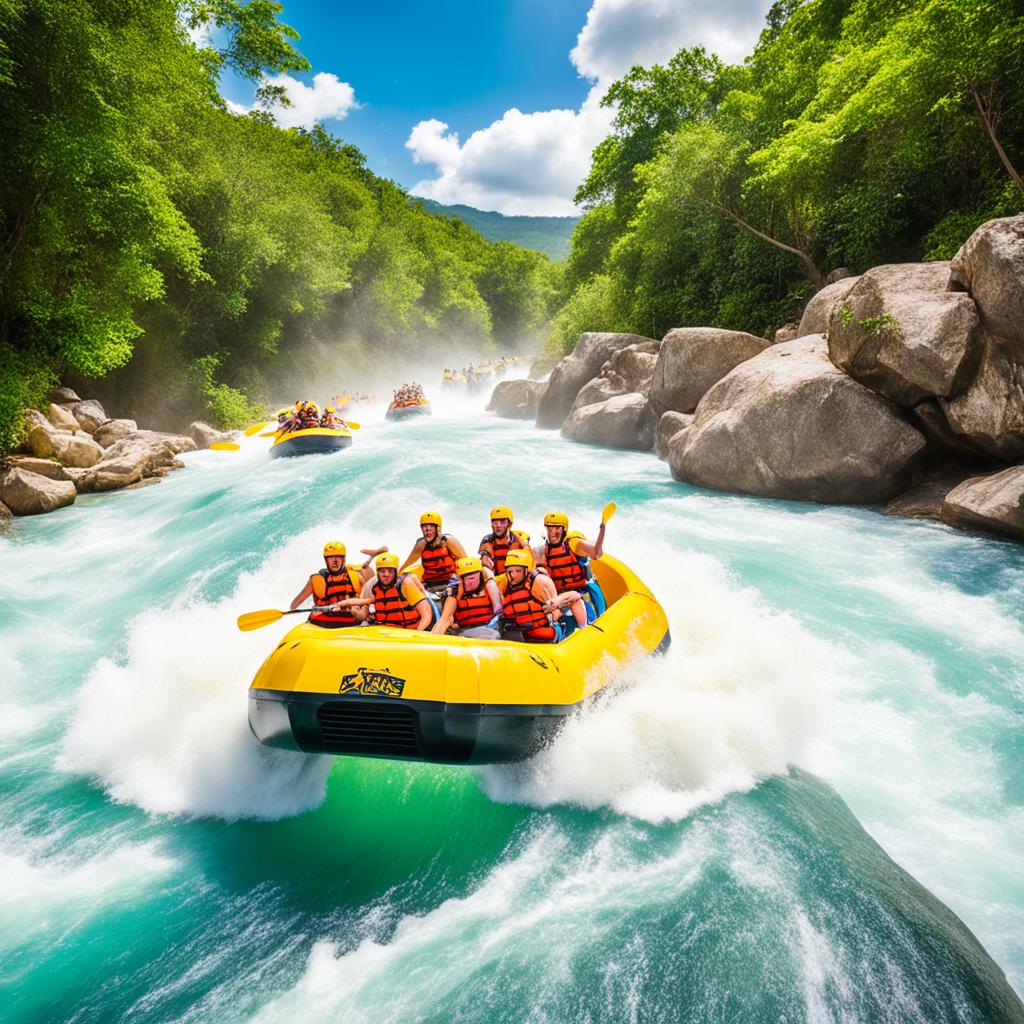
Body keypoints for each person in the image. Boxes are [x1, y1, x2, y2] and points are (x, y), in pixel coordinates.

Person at [535, 510, 607, 618]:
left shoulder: (573, 543)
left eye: (557, 528)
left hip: (581, 593)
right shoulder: (545, 550)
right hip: (559, 597)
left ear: (564, 530)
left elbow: (597, 553)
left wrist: (602, 529)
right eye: (549, 529)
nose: (552, 533)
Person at [289, 541, 376, 629]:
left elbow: (373, 591)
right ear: (326, 560)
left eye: (338, 557)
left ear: (343, 559)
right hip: (322, 624)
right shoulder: (316, 580)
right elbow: (293, 606)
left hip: (352, 623)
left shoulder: (356, 575)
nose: (335, 561)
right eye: (331, 558)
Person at [497, 549, 564, 643]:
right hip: (518, 634)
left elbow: (556, 611)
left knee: (531, 633)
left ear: (526, 570)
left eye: (518, 571)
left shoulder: (540, 582)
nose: (514, 575)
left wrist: (550, 618)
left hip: (542, 630)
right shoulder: (504, 582)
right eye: (510, 571)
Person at [400, 511, 467, 600]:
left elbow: (466, 562)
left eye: (431, 526)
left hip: (450, 583)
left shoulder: (448, 541)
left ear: (437, 528)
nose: (428, 529)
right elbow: (407, 564)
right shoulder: (421, 544)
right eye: (425, 526)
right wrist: (398, 574)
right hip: (430, 586)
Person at [432, 556, 502, 638]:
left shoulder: (490, 587)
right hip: (463, 632)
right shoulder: (454, 591)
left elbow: (498, 612)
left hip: (487, 629)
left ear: (480, 576)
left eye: (471, 578)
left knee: (492, 635)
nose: (467, 583)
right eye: (463, 578)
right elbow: (445, 619)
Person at [478, 505, 525, 575]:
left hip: (515, 577)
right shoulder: (487, 540)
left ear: (510, 524)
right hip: (495, 578)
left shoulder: (519, 540)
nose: (498, 526)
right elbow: (486, 561)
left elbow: (529, 563)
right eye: (495, 522)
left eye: (503, 522)